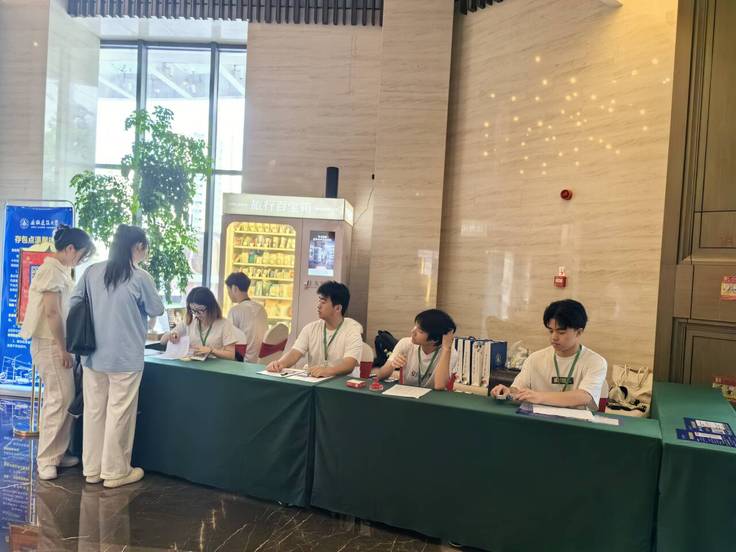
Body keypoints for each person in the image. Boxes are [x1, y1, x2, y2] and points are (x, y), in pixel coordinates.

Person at [70, 224, 164, 488]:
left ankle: (92, 470)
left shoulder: (92, 271)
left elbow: (74, 302)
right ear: (138, 246)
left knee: (94, 412)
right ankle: (115, 472)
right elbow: (156, 309)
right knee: (119, 413)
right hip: (125, 356)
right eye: (145, 248)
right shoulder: (140, 277)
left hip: (92, 355)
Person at [20, 225, 95, 481]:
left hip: (57, 344)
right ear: (70, 248)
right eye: (82, 255)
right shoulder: (51, 270)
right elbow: (52, 313)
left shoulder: (59, 270)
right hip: (50, 344)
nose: (81, 260)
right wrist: (62, 348)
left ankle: (57, 453)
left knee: (64, 398)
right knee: (59, 399)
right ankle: (46, 459)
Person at [491, 299, 607, 409]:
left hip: (575, 421)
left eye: (561, 332)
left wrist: (539, 396)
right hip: (537, 419)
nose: (554, 337)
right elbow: (517, 389)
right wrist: (508, 391)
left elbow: (584, 397)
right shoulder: (535, 359)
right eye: (551, 331)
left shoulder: (595, 362)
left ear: (579, 332)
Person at [266, 281, 362, 377]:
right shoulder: (310, 328)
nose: (318, 306)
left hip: (342, 384)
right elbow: (295, 353)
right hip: (315, 381)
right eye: (319, 301)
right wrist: (279, 364)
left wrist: (328, 370)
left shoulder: (352, 330)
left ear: (338, 308)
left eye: (323, 302)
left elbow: (349, 364)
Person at [376, 309, 458, 390]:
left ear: (435, 339)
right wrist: (392, 365)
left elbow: (439, 386)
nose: (413, 331)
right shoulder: (405, 343)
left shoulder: (449, 353)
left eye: (420, 331)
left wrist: (446, 349)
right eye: (415, 326)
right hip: (407, 395)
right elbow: (380, 376)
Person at [162, 286, 245, 360]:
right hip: (193, 365)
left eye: (200, 310)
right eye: (193, 310)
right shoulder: (189, 321)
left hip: (214, 367)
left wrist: (211, 350)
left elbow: (231, 355)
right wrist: (172, 334)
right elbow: (163, 341)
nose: (197, 314)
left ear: (211, 307)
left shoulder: (224, 324)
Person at [224, 272, 267, 363]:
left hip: (243, 362)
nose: (228, 294)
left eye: (228, 290)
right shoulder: (261, 309)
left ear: (234, 288)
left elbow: (229, 340)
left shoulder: (235, 311)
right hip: (260, 361)